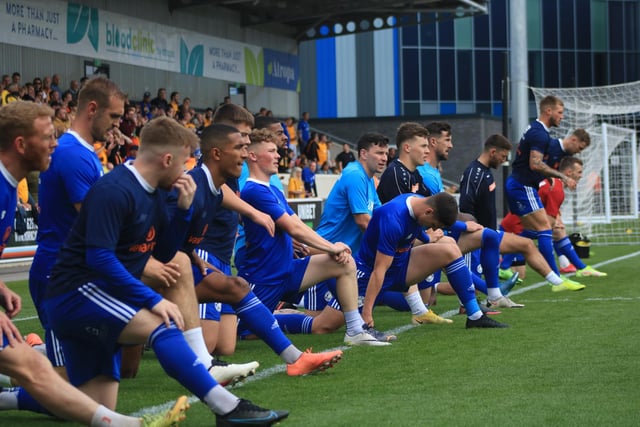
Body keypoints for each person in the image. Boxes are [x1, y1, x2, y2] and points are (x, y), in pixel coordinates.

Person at [39, 117, 288, 425]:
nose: (187, 171)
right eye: (184, 162)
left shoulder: (159, 194)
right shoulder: (114, 190)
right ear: (167, 159)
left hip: (106, 294)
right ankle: (229, 408)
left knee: (87, 402)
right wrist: (152, 299)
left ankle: (7, 399)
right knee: (163, 326)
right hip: (77, 294)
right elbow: (99, 260)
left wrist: (183, 212)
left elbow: (166, 253)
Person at [0, 101, 190, 427]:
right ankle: (128, 424)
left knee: (49, 377)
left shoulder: (7, 185)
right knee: (39, 372)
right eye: (47, 137)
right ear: (20, 144)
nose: (54, 145)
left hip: (74, 279)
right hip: (63, 279)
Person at [184, 124, 347, 376]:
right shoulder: (196, 182)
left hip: (206, 258)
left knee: (226, 343)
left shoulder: (218, 186)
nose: (244, 153)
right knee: (206, 339)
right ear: (217, 152)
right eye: (240, 146)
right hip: (191, 259)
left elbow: (228, 204)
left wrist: (251, 213)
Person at [237, 128, 390, 346]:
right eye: (271, 151)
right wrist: (331, 247)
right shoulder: (253, 190)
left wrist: (333, 248)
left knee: (345, 264)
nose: (279, 155)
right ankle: (277, 315)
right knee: (245, 334)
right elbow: (294, 228)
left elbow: (297, 224)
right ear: (252, 156)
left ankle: (356, 330)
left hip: (287, 269)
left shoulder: (273, 190)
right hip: (264, 277)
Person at [29, 77, 126, 375]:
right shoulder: (73, 154)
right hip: (58, 273)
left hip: (73, 271)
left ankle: (26, 357)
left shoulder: (83, 152)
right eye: (114, 117)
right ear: (93, 109)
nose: (116, 126)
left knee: (90, 377)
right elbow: (97, 221)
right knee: (69, 392)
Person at [292, 132, 397, 341]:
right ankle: (274, 316)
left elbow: (381, 217)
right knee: (321, 325)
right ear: (364, 154)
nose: (384, 157)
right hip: (325, 254)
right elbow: (364, 221)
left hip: (342, 258)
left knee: (326, 322)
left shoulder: (369, 180)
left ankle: (362, 326)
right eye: (379, 153)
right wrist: (392, 244)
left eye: (386, 153)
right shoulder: (355, 175)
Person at [459, 134, 589, 294]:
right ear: (493, 152)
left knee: (526, 245)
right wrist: (470, 228)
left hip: (489, 233)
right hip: (476, 235)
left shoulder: (486, 172)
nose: (504, 160)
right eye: (502, 156)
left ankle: (556, 280)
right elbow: (465, 207)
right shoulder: (474, 173)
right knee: (460, 282)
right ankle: (483, 300)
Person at [357, 192, 508, 329]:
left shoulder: (421, 205)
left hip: (400, 267)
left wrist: (453, 229)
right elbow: (379, 270)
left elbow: (415, 225)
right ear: (429, 212)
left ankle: (475, 316)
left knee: (450, 248)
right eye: (434, 225)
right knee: (333, 323)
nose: (434, 228)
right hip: (369, 275)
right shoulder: (393, 220)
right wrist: (367, 313)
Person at [505, 96, 586, 291]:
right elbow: (535, 163)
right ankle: (556, 280)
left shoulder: (537, 130)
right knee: (545, 228)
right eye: (559, 112)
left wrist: (548, 177)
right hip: (523, 186)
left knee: (529, 232)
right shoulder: (539, 134)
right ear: (548, 111)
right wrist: (561, 177)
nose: (562, 116)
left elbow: (535, 163)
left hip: (518, 184)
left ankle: (500, 261)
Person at [500, 156, 606, 279]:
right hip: (515, 227)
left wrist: (556, 220)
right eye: (579, 172)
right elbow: (547, 224)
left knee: (519, 276)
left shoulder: (553, 184)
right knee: (553, 232)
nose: (581, 176)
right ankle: (561, 274)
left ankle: (576, 268)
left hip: (518, 224)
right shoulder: (556, 189)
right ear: (568, 173)